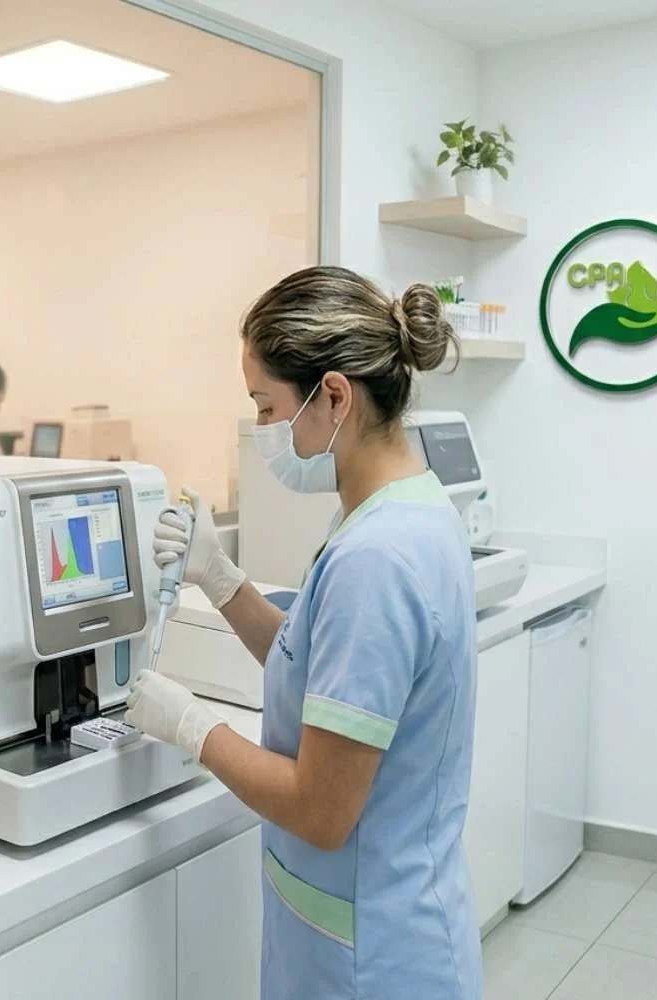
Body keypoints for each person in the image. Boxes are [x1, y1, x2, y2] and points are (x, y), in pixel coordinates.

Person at [126, 266, 482, 999]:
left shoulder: (377, 558)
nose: (260, 430)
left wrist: (193, 727)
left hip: (372, 959)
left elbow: (321, 812)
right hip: (363, 924)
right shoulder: (402, 510)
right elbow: (319, 663)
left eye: (265, 405)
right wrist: (222, 582)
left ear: (334, 396)